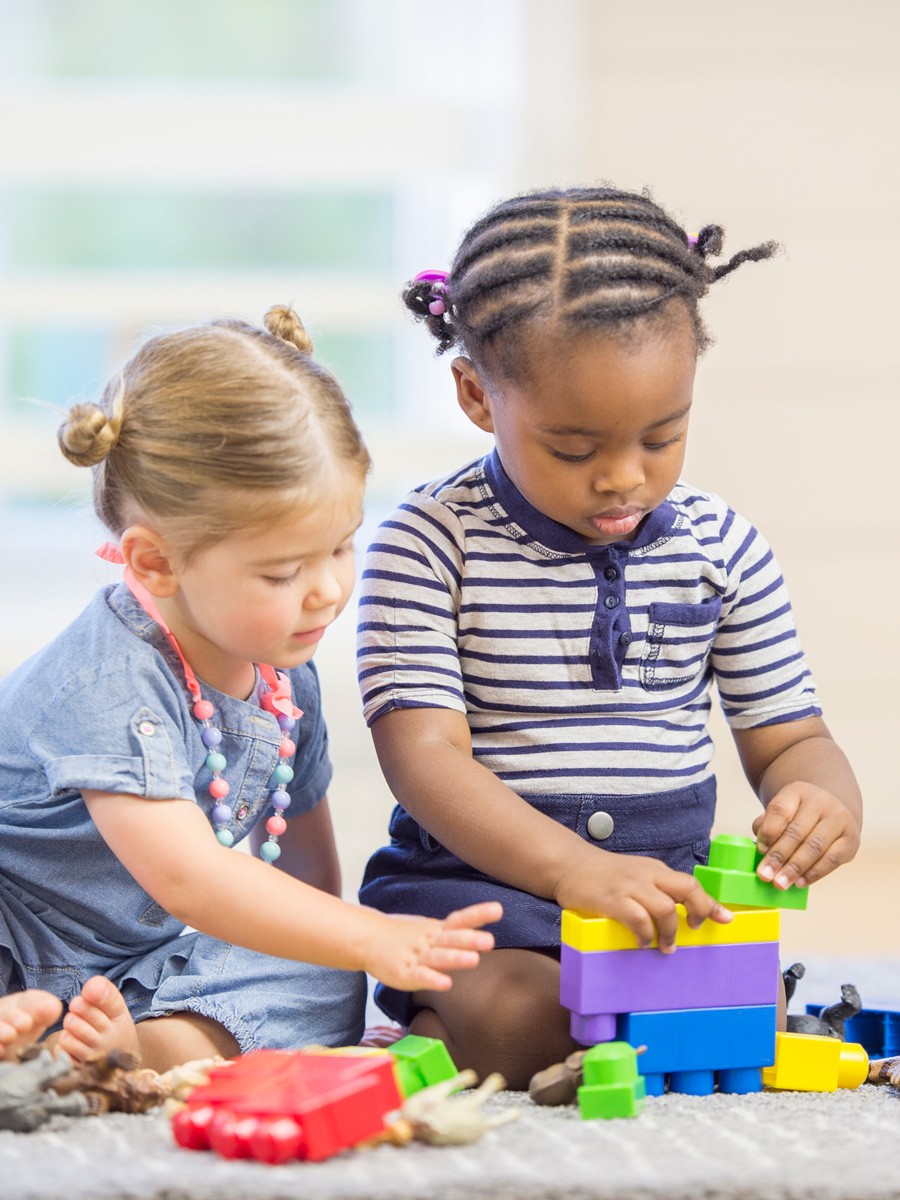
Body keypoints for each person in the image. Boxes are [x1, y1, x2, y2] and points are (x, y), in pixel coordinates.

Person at [356, 186, 863, 1090]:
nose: (625, 478)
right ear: (478, 395)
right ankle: (431, 1027)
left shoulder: (724, 548)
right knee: (528, 1021)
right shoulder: (430, 541)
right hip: (483, 895)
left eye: (662, 436)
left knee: (738, 1023)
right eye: (574, 448)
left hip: (659, 901)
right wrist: (571, 869)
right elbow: (423, 759)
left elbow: (791, 739)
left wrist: (823, 800)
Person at [0, 306, 501, 1073]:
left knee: (325, 974)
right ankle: (36, 1029)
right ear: (157, 563)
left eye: (341, 545)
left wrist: (349, 942)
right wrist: (374, 937)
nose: (329, 590)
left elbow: (306, 876)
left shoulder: (282, 671)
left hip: (141, 964)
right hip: (21, 936)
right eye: (281, 572)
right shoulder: (110, 682)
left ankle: (138, 1048)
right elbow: (191, 880)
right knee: (345, 943)